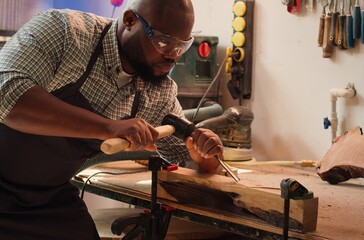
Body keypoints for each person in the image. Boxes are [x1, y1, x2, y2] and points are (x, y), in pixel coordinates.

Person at [0, 0, 223, 239]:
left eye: (181, 46)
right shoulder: (65, 31)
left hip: (46, 198)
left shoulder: (158, 92)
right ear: (129, 21)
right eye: (163, 42)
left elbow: (184, 157)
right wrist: (108, 127)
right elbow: (7, 94)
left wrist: (204, 157)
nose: (172, 57)